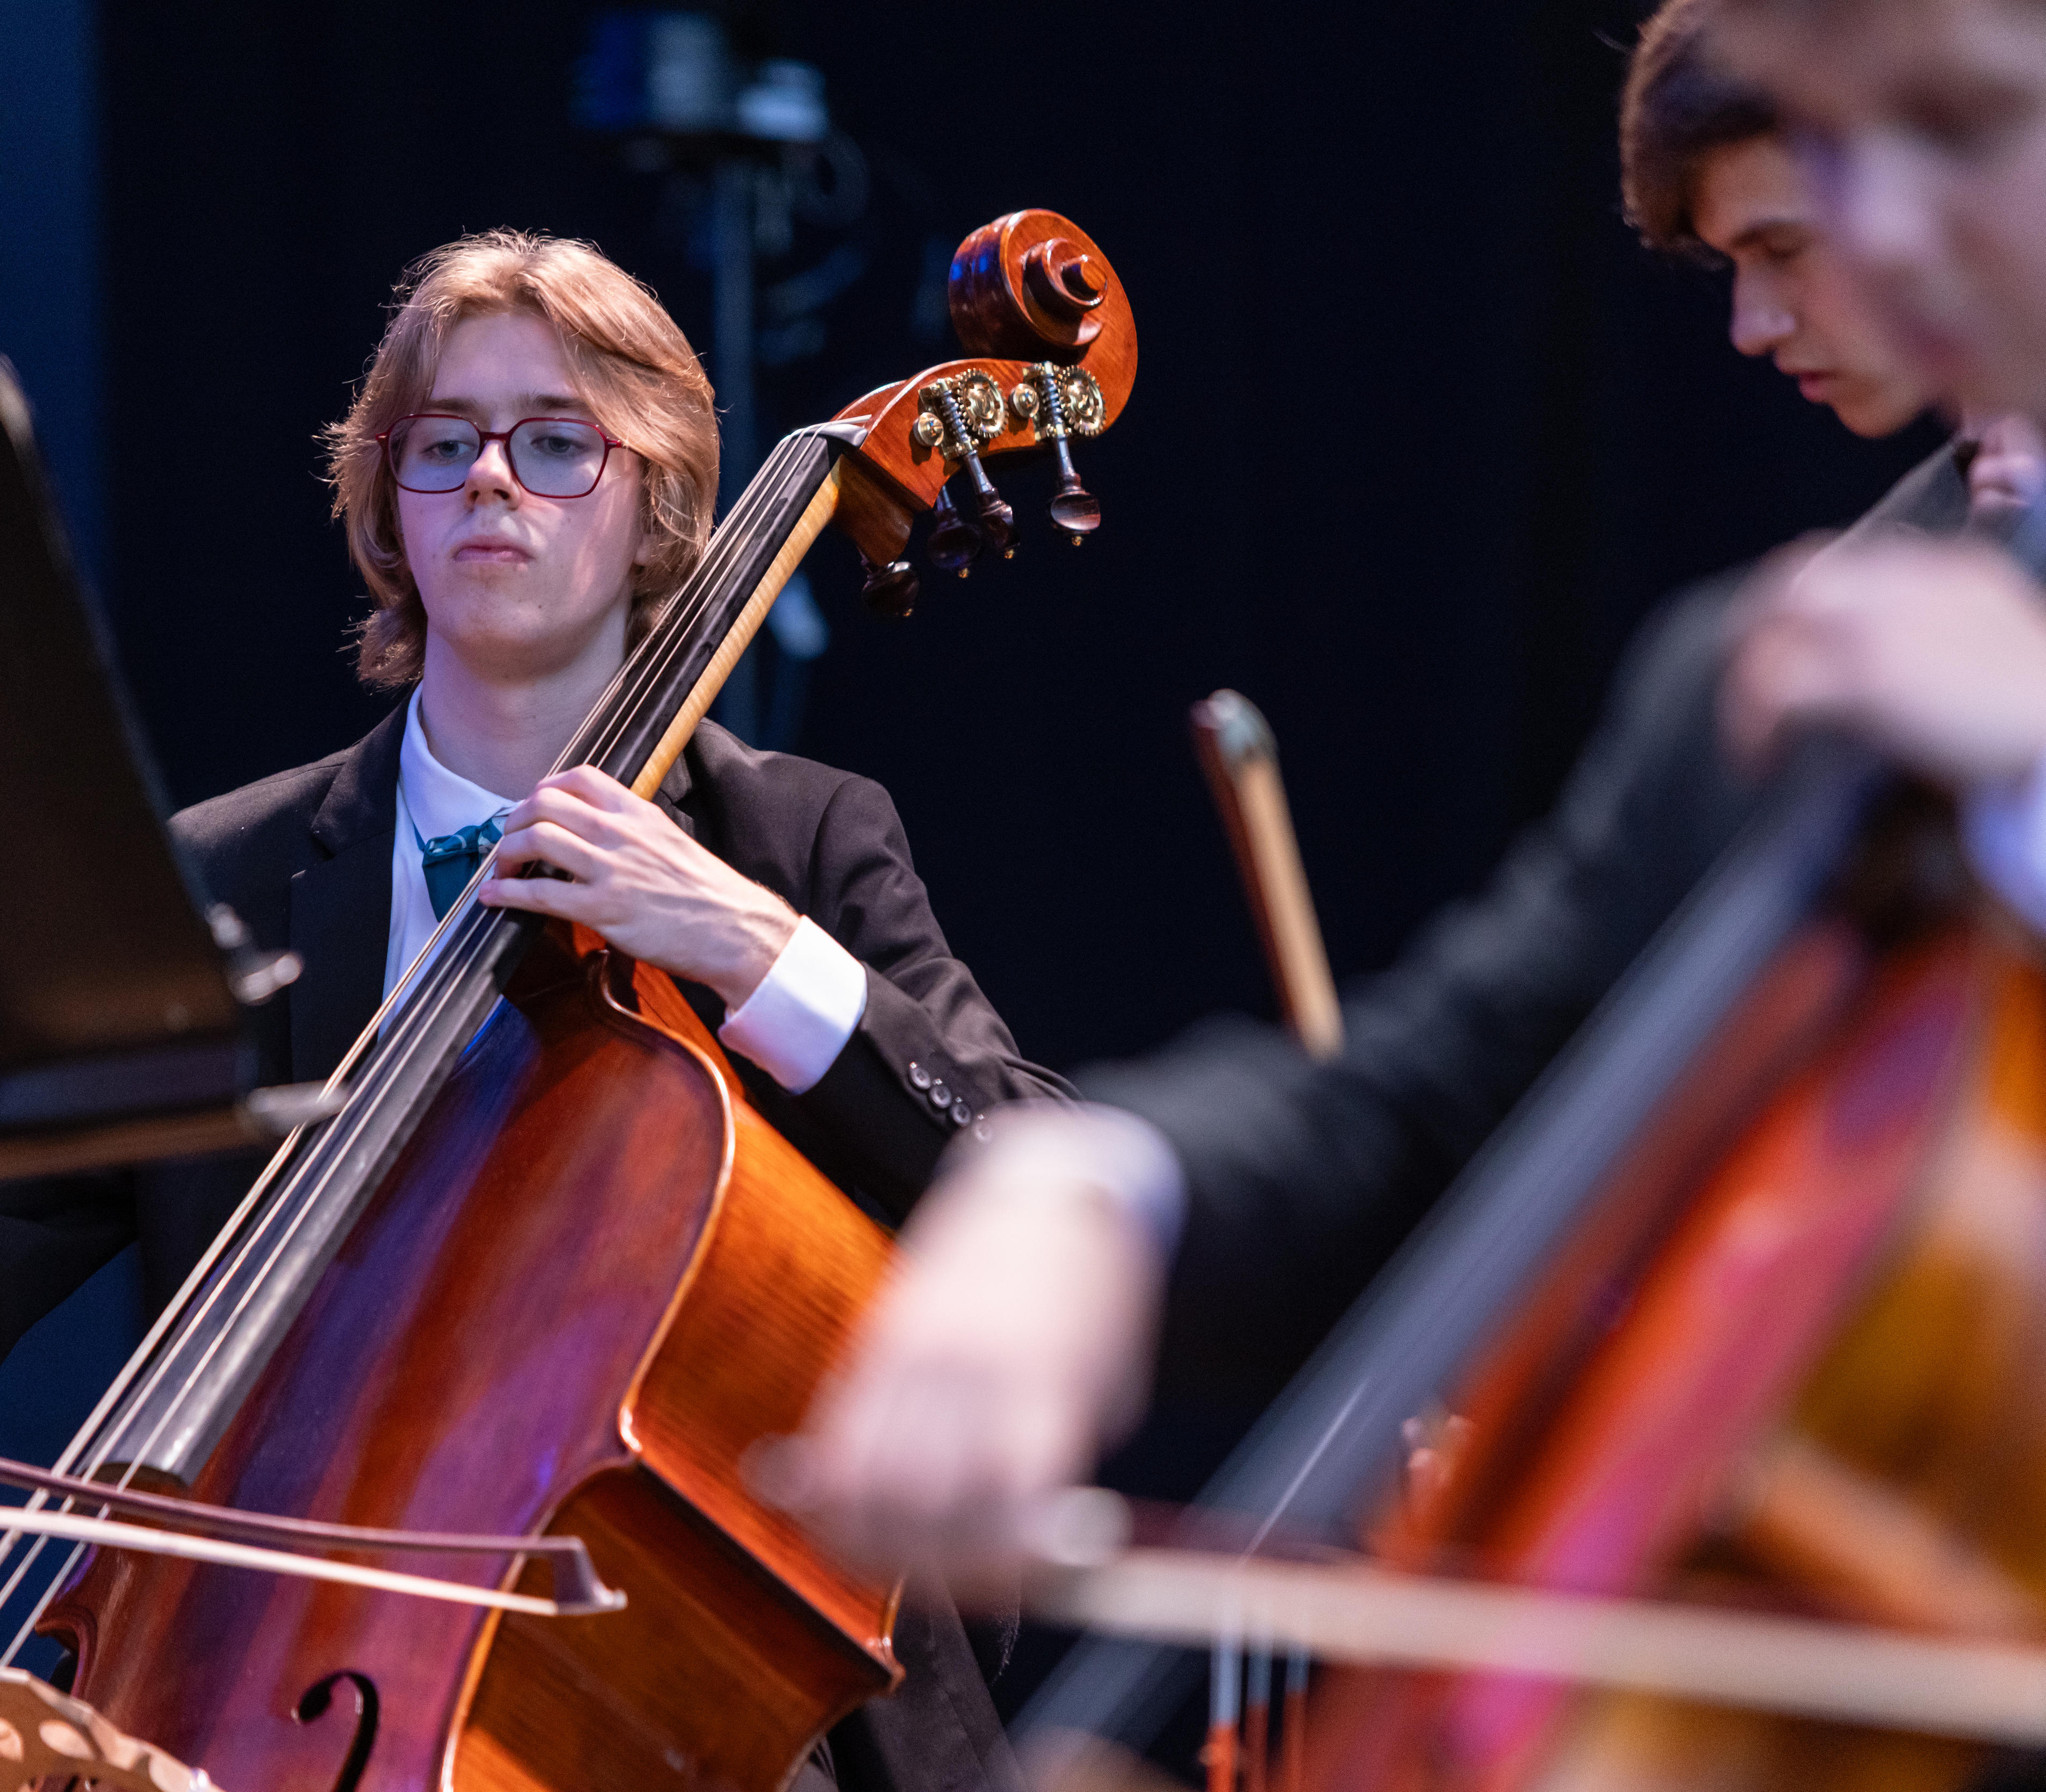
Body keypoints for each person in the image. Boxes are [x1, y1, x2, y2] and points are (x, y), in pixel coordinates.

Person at [0, 231, 1066, 1792]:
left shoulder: (796, 844)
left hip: (706, 1698)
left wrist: (758, 951)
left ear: (655, 505)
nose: (493, 481)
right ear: (386, 501)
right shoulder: (224, 875)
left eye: (558, 442)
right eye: (445, 443)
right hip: (270, 1690)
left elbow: (1032, 1169)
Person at [791, 0, 2046, 1586]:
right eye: (1857, 149)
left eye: (1961, 127)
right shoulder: (1793, 666)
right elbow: (1434, 1101)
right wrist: (1094, 1189)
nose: (1890, 219)